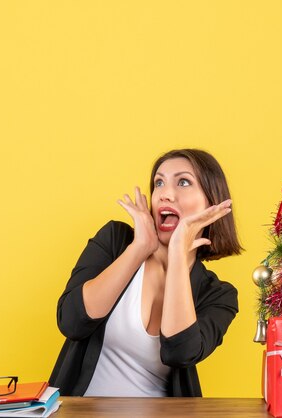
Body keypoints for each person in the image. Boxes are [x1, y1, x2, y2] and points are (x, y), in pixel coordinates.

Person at [49, 149, 242, 397]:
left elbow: (179, 353)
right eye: (159, 183)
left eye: (183, 182)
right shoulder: (115, 241)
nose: (165, 194)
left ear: (211, 203)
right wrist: (140, 248)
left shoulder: (218, 295)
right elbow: (72, 322)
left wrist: (177, 257)